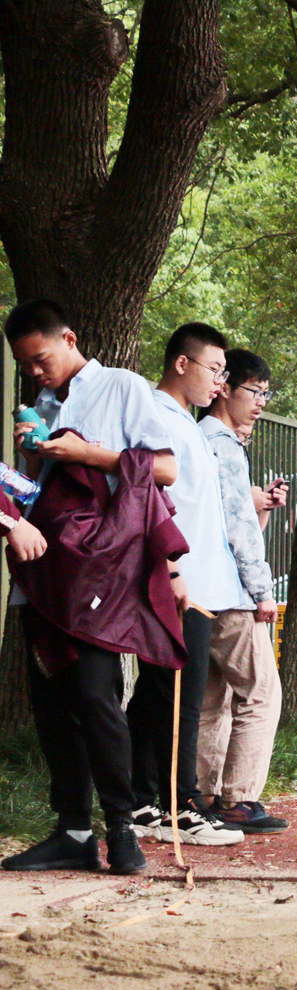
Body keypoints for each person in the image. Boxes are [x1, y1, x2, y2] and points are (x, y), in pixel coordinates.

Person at [1, 298, 180, 876]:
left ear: (70, 339)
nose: (35, 371)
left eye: (41, 358)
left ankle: (122, 828)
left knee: (97, 697)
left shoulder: (121, 386)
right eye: (24, 364)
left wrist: (85, 453)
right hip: (43, 572)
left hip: (102, 574)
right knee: (52, 703)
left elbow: (165, 469)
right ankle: (73, 830)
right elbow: (34, 491)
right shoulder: (41, 405)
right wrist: (31, 465)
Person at [123, 324, 248, 848]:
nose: (220, 382)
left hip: (197, 583)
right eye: (214, 370)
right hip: (178, 583)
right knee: (179, 697)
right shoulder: (155, 415)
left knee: (161, 695)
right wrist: (172, 572)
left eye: (223, 373)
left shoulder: (186, 423)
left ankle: (144, 802)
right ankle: (179, 805)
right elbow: (151, 500)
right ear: (182, 363)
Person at [197, 347, 289, 835]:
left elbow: (232, 520)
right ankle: (239, 800)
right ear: (225, 388)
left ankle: (202, 795)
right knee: (261, 693)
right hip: (231, 593)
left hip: (198, 592)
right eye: (253, 391)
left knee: (211, 699)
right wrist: (262, 591)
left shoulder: (196, 438)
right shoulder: (224, 445)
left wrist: (261, 506)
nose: (260, 403)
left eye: (265, 394)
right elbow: (238, 529)